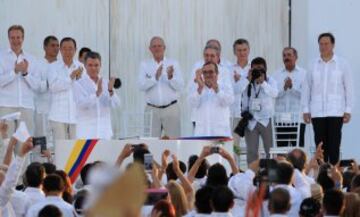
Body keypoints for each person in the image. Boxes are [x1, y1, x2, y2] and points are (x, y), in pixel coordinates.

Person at [302, 32, 353, 165]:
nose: (323, 46)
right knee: (320, 146)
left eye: (326, 44)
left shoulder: (342, 64)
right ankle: (321, 176)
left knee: (334, 145)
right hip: (317, 112)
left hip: (336, 111)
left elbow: (349, 88)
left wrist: (348, 110)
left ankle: (334, 177)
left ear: (333, 45)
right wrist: (306, 110)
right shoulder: (312, 64)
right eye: (321, 44)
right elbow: (306, 88)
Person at [138, 36, 184, 138]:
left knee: (174, 141)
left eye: (159, 46)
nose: (157, 48)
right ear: (150, 49)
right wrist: (155, 78)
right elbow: (141, 86)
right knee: (151, 142)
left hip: (171, 108)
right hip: (152, 109)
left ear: (164, 48)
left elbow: (180, 86)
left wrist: (171, 77)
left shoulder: (173, 63)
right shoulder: (145, 65)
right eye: (154, 46)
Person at [0, 25, 41, 136]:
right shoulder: (1, 57)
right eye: (12, 37)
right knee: (5, 145)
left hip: (26, 108)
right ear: (8, 38)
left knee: (23, 147)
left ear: (23, 38)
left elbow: (37, 85)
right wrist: (14, 71)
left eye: (18, 37)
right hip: (6, 107)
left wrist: (25, 73)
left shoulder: (32, 59)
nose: (15, 40)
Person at [74, 51, 120, 139]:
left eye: (96, 65)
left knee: (106, 153)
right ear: (85, 66)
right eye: (90, 65)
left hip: (104, 132)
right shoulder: (78, 84)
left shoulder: (106, 82)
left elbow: (116, 104)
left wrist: (110, 91)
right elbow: (81, 104)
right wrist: (96, 94)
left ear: (100, 65)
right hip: (86, 133)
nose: (93, 68)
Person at [241, 57, 278, 164]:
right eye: (255, 69)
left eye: (260, 69)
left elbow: (275, 93)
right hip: (251, 120)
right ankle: (252, 176)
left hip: (266, 120)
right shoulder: (247, 81)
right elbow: (239, 93)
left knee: (269, 151)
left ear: (266, 69)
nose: (258, 72)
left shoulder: (270, 80)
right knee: (251, 151)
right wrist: (247, 80)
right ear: (251, 69)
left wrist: (263, 83)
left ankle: (271, 175)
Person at [48, 37, 83, 140]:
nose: (67, 51)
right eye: (64, 48)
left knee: (77, 149)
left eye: (70, 48)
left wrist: (79, 79)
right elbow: (53, 87)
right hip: (58, 115)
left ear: (75, 50)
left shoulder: (81, 67)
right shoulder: (53, 67)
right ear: (60, 50)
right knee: (61, 149)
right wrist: (70, 77)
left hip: (77, 116)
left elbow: (85, 90)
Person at [188, 62, 234, 137]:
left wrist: (217, 89)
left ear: (217, 73)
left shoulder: (224, 86)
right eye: (205, 72)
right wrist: (200, 88)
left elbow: (229, 101)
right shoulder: (197, 87)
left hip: (220, 133)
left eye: (211, 72)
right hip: (202, 133)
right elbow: (192, 103)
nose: (207, 75)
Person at [273, 47, 306, 147]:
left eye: (289, 55)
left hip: (298, 119)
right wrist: (284, 88)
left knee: (298, 151)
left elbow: (305, 95)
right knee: (281, 150)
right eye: (284, 55)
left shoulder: (304, 74)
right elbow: (274, 94)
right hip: (280, 119)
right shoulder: (276, 74)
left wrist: (292, 87)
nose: (286, 57)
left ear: (296, 57)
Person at [34, 36, 59, 138]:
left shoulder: (62, 66)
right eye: (52, 45)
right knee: (42, 146)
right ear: (45, 47)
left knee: (59, 144)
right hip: (42, 110)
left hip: (58, 111)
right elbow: (35, 86)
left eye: (57, 46)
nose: (56, 48)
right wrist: (50, 83)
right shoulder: (37, 65)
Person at [230, 39, 251, 149]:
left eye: (244, 50)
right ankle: (235, 166)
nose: (242, 53)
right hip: (235, 114)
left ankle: (252, 167)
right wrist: (247, 79)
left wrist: (240, 80)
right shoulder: (229, 69)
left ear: (249, 50)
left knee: (253, 148)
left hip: (252, 115)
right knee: (234, 148)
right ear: (234, 52)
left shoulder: (254, 67)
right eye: (239, 50)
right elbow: (233, 90)